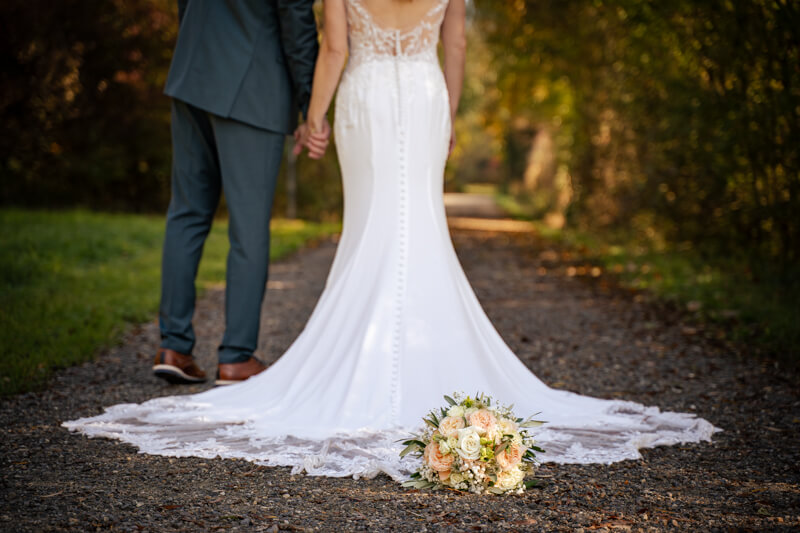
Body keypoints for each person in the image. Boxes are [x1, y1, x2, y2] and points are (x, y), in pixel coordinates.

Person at [65, 0, 718, 481]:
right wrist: (441, 114)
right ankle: (244, 353)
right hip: (416, 95)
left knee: (239, 215)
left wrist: (316, 114)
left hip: (327, 93)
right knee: (398, 224)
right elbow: (447, 48)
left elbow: (335, 48)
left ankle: (177, 344)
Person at [152, 0, 330, 386]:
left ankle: (173, 348)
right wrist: (310, 103)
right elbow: (296, 21)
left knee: (186, 213)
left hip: (192, 73)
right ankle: (235, 358)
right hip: (254, 87)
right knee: (248, 228)